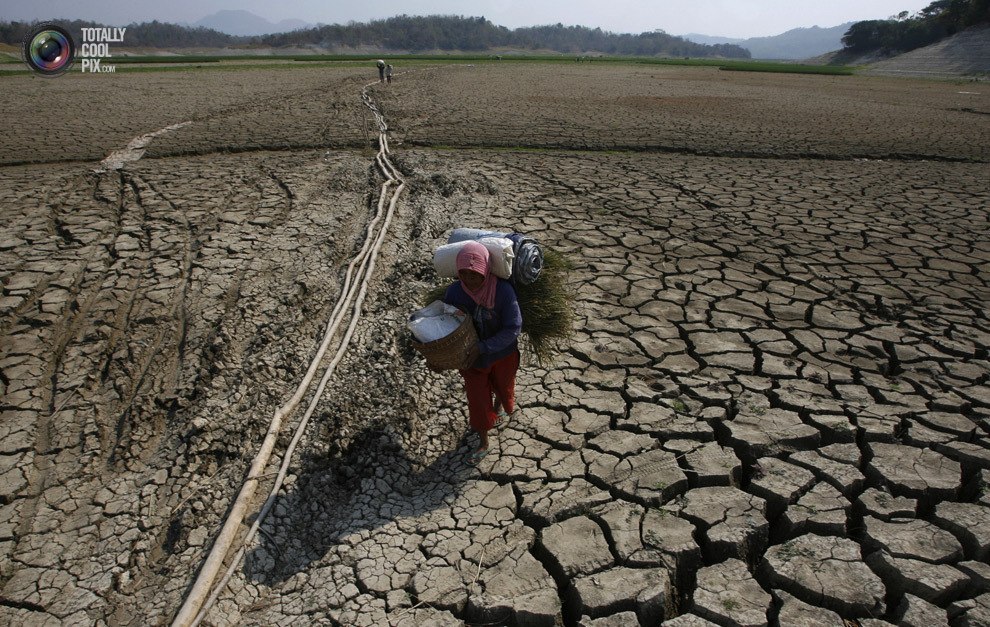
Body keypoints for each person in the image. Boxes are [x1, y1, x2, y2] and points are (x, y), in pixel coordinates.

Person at [443, 241, 522, 465]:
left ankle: (498, 408)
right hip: (472, 360)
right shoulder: (455, 292)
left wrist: (485, 346)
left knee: (503, 386)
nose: (469, 279)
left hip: (503, 354)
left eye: (474, 274)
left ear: (486, 270)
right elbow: (446, 323)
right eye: (464, 274)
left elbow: (513, 327)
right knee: (477, 400)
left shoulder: (503, 291)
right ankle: (483, 440)